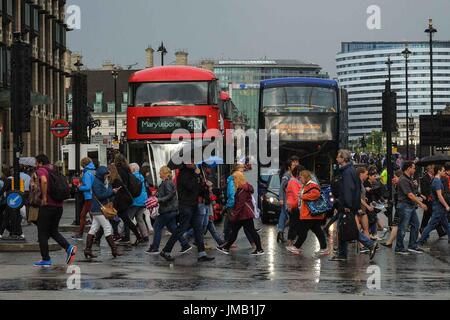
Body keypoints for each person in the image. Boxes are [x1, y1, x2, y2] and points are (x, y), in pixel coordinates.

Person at [160, 163, 215, 262]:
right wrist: (198, 176)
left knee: (198, 229)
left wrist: (205, 185)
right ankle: (166, 251)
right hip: (186, 205)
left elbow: (198, 191)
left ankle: (201, 253)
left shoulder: (193, 173)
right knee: (181, 229)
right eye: (192, 161)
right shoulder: (183, 174)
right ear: (187, 163)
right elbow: (190, 187)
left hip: (194, 205)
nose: (194, 163)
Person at [330, 149, 378, 262]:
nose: (337, 158)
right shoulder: (350, 170)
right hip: (347, 205)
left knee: (349, 229)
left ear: (344, 159)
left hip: (346, 206)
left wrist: (347, 205)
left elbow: (348, 189)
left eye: (338, 157)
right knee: (343, 229)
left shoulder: (347, 172)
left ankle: (370, 244)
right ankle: (342, 255)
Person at [33, 154, 77, 267]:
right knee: (53, 231)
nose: (35, 165)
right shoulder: (55, 169)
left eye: (36, 162)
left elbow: (43, 181)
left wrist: (44, 197)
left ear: (40, 163)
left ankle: (46, 259)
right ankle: (68, 247)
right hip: (59, 206)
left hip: (48, 206)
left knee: (42, 232)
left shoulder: (42, 170)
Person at [145, 166, 191, 254]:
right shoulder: (166, 182)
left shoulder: (167, 183)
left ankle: (155, 247)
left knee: (157, 226)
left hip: (168, 210)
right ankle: (185, 244)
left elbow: (170, 195)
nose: (159, 173)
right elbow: (168, 194)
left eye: (160, 172)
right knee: (173, 229)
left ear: (165, 173)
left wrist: (158, 199)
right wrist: (157, 195)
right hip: (170, 210)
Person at [216, 171, 264, 256]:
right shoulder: (243, 188)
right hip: (243, 214)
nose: (234, 180)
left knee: (250, 231)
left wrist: (234, 214)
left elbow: (240, 204)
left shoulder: (242, 189)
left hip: (244, 214)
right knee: (235, 231)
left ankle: (259, 249)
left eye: (235, 178)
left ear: (238, 179)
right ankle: (226, 247)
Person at [287, 170, 328, 256]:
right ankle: (324, 248)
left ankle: (296, 247)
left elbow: (316, 194)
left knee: (303, 231)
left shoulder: (312, 185)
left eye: (301, 177)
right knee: (318, 231)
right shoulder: (307, 185)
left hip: (309, 214)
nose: (300, 179)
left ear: (305, 177)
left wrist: (303, 196)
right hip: (310, 214)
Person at [84, 166, 122, 259]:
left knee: (93, 229)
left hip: (97, 209)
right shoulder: (97, 183)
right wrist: (112, 191)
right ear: (101, 174)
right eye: (105, 174)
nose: (106, 176)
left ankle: (88, 250)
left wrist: (110, 188)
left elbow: (103, 193)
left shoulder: (100, 181)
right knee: (107, 227)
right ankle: (114, 250)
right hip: (99, 209)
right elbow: (101, 195)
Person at [395, 161, 427, 255]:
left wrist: (416, 189)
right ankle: (399, 248)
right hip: (404, 206)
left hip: (410, 206)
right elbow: (409, 195)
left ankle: (412, 245)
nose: (414, 169)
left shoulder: (408, 179)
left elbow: (412, 192)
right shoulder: (403, 179)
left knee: (416, 225)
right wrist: (420, 204)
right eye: (413, 168)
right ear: (408, 168)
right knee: (402, 228)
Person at [111, 155, 143, 245]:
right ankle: (137, 236)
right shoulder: (127, 169)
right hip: (126, 198)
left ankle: (114, 235)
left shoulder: (119, 170)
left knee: (110, 216)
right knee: (124, 218)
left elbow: (120, 184)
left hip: (120, 198)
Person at [416, 165, 450, 248]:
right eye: (443, 170)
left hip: (438, 206)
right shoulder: (437, 181)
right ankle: (420, 242)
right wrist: (446, 206)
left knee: (446, 224)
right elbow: (439, 196)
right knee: (431, 225)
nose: (444, 172)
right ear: (438, 171)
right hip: (439, 207)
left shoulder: (435, 180)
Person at [125, 163, 150, 243]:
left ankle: (127, 236)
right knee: (140, 219)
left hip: (136, 201)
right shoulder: (141, 176)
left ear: (133, 169)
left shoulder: (132, 177)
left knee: (128, 219)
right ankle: (145, 236)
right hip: (143, 200)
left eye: (130, 168)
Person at [72, 157, 96, 241]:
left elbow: (88, 186)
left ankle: (81, 233)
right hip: (93, 196)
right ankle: (94, 234)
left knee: (83, 216)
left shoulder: (87, 173)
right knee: (93, 216)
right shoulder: (93, 171)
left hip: (88, 197)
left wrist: (79, 187)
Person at [381, 170, 403, 248]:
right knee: (396, 225)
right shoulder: (396, 185)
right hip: (400, 207)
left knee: (397, 225)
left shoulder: (401, 184)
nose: (393, 179)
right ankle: (390, 242)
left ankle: (391, 243)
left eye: (395, 177)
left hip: (402, 207)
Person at [285, 166, 302, 249]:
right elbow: (296, 195)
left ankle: (292, 243)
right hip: (295, 207)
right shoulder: (293, 181)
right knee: (294, 225)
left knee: (295, 225)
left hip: (294, 206)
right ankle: (290, 243)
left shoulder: (294, 181)